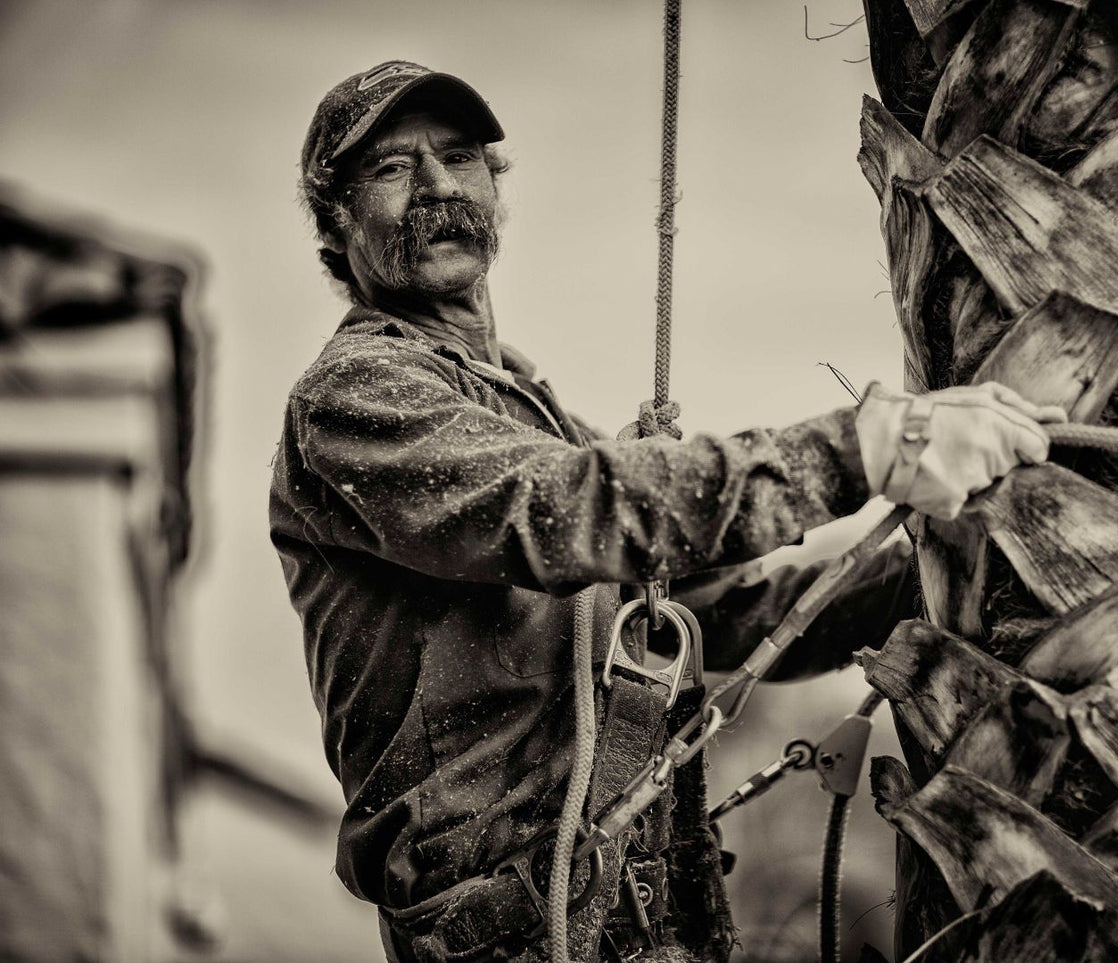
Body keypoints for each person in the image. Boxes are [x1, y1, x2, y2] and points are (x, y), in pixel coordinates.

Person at [271, 60, 1063, 963]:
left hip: (637, 918)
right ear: (335, 219)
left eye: (460, 157)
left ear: (496, 186)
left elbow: (715, 615)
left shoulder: (522, 405)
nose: (437, 186)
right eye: (390, 168)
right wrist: (871, 449)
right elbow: (562, 508)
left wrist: (933, 563)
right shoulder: (356, 396)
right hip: (514, 936)